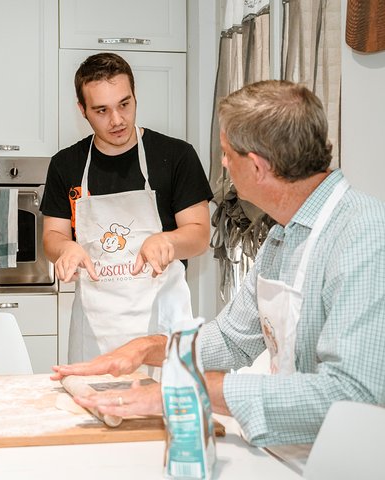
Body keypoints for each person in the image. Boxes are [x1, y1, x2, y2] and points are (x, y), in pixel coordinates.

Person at [53, 80, 385, 447]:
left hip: (344, 459)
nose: (223, 164)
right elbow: (231, 339)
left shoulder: (364, 235)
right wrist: (148, 348)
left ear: (257, 167)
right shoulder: (283, 235)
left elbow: (353, 396)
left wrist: (193, 389)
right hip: (293, 447)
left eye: (227, 154)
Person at [41, 52, 212, 363]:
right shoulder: (66, 164)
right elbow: (52, 235)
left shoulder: (175, 156)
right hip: (95, 330)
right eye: (101, 110)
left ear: (135, 96)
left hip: (162, 327)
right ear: (83, 111)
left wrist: (168, 240)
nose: (117, 120)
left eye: (124, 104)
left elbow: (200, 235)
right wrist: (65, 248)